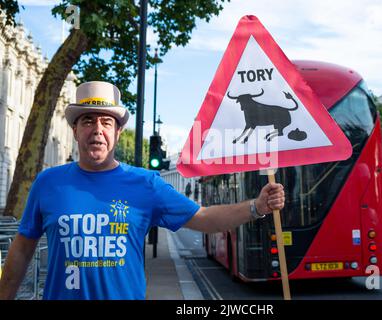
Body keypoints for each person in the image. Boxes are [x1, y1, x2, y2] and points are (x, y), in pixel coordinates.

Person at [0, 81, 284, 300]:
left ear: (117, 132)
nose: (97, 129)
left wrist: (256, 207)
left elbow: (204, 217)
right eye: (88, 121)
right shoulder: (48, 182)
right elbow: (22, 250)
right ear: (75, 131)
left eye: (106, 122)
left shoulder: (146, 184)